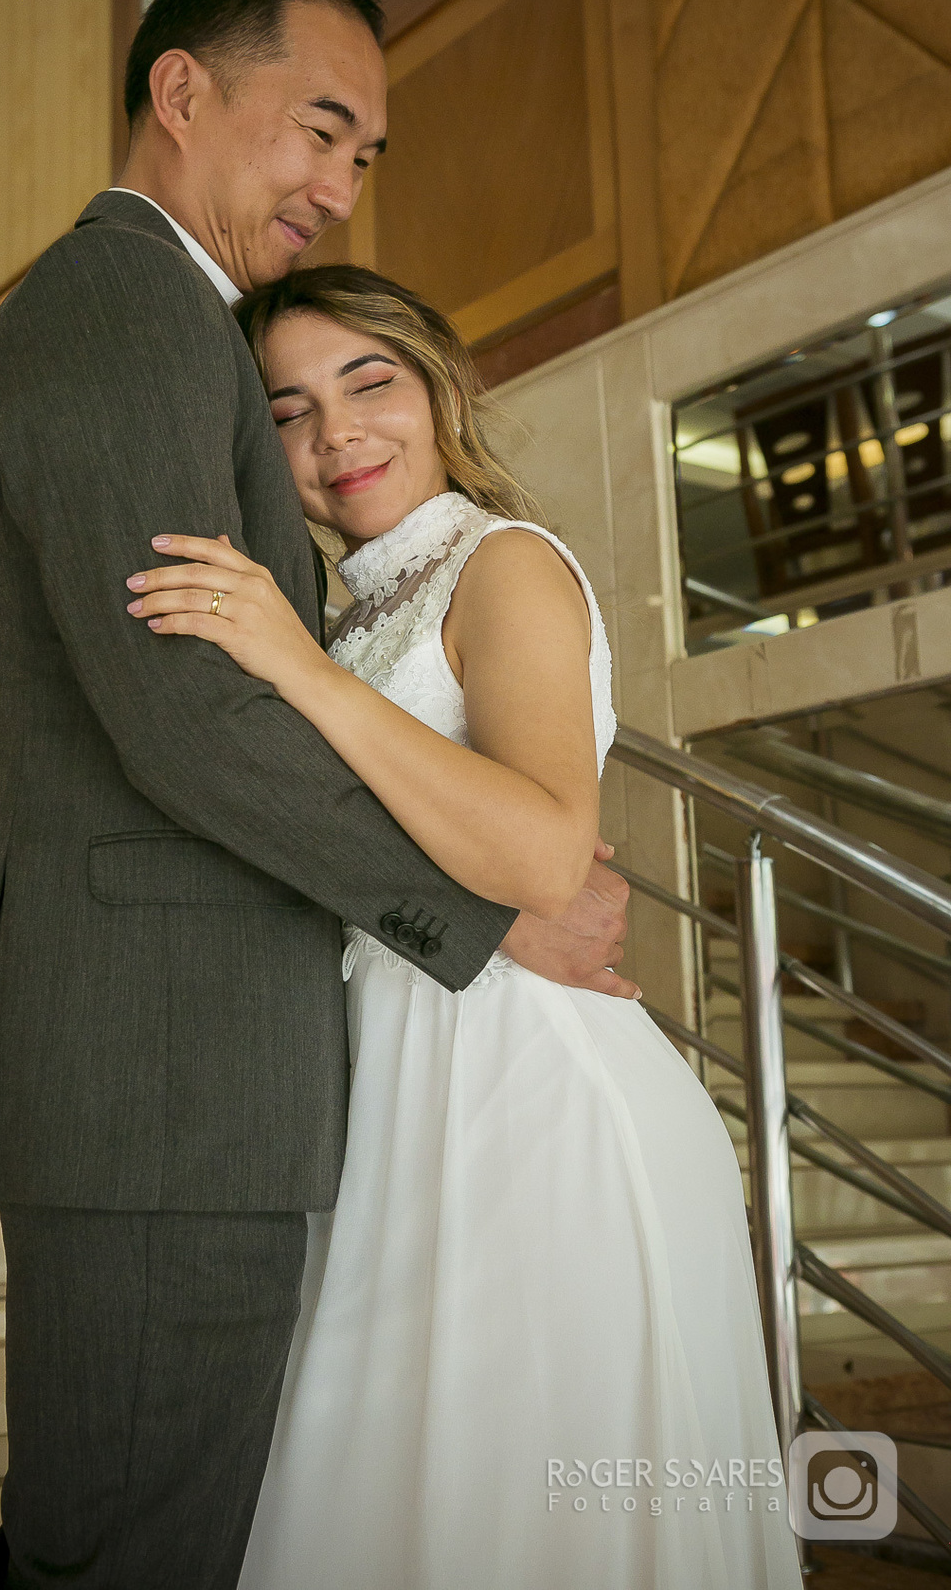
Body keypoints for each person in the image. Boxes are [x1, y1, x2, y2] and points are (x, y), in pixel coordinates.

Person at [0, 0, 635, 1590]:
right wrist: (487, 919)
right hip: (160, 1072)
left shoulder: (178, 322)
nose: (339, 184)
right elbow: (183, 711)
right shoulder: (123, 300)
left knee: (131, 1530)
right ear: (183, 94)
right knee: (131, 1548)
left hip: (198, 1073)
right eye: (320, 128)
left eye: (366, 156)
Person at [122, 264, 805, 1589]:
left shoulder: (505, 567)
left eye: (367, 382)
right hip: (388, 1094)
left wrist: (303, 676)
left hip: (527, 1096)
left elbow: (550, 853)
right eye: (289, 410)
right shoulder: (340, 611)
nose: (336, 436)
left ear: (437, 384)